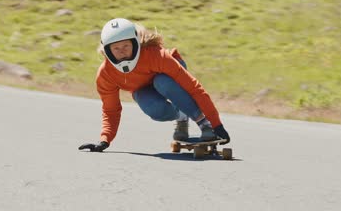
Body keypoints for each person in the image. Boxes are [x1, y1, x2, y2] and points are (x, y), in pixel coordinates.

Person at [78, 18, 230, 152]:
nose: (122, 52)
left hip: (169, 75)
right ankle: (182, 115)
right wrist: (104, 140)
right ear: (107, 50)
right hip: (145, 88)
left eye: (126, 46)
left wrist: (216, 125)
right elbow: (111, 110)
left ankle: (203, 123)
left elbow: (194, 88)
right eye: (116, 48)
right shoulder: (106, 74)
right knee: (151, 107)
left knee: (161, 82)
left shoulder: (157, 56)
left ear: (135, 43)